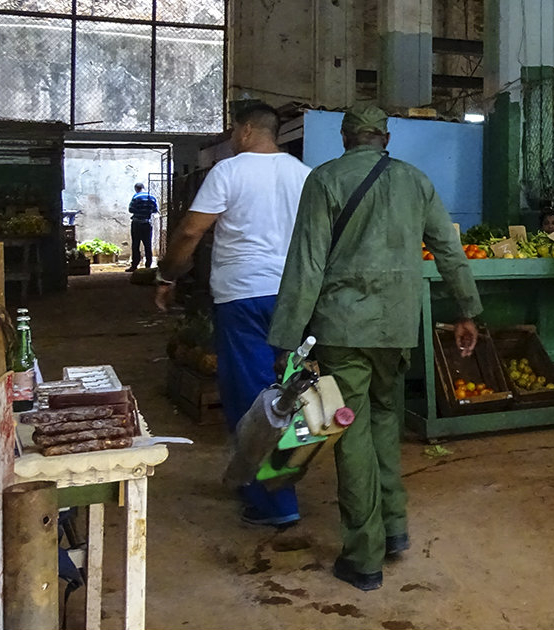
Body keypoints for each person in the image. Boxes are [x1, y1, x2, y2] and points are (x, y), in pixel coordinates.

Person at [266, 103, 482, 592]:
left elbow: (307, 264)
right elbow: (449, 249)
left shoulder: (324, 180)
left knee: (351, 433)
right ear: (385, 138)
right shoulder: (415, 180)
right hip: (397, 328)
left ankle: (363, 558)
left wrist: (285, 339)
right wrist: (467, 311)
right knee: (386, 421)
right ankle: (395, 528)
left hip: (343, 331)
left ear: (346, 137)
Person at [154, 102, 312, 527]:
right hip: (292, 297)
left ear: (244, 131)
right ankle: (269, 483)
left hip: (243, 297)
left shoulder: (229, 171)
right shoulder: (302, 174)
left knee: (253, 399)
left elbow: (191, 230)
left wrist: (168, 275)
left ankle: (275, 504)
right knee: (289, 393)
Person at [127, 183, 158, 272]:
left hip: (137, 223)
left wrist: (138, 211)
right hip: (147, 223)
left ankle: (134, 265)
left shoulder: (136, 197)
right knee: (148, 245)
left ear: (136, 188)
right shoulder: (152, 197)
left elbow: (131, 209)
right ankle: (148, 265)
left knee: (135, 244)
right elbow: (155, 210)